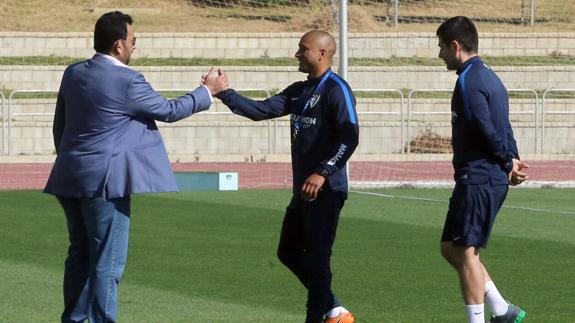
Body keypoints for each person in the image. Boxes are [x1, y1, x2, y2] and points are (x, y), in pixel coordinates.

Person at [44, 11, 228, 323]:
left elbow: (59, 125)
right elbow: (168, 110)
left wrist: (72, 159)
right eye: (132, 40)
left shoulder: (73, 73)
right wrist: (207, 91)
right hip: (104, 182)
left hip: (69, 176)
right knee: (107, 262)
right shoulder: (127, 80)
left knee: (79, 255)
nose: (134, 46)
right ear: (118, 45)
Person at [210, 30, 358, 323]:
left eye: (302, 49)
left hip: (326, 191)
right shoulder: (299, 90)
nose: (297, 54)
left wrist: (323, 171)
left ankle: (320, 317)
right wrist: (224, 93)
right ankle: (335, 309)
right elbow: (261, 110)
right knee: (288, 251)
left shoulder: (336, 90)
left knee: (318, 259)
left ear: (322, 54)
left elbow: (349, 137)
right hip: (302, 191)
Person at [436, 16, 529, 323]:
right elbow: (505, 124)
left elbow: (486, 127)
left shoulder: (469, 80)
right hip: (479, 176)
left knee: (466, 254)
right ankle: (501, 309)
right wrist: (512, 158)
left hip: (479, 177)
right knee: (450, 248)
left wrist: (506, 161)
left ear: (455, 46)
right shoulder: (489, 76)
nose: (439, 55)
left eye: (441, 47)